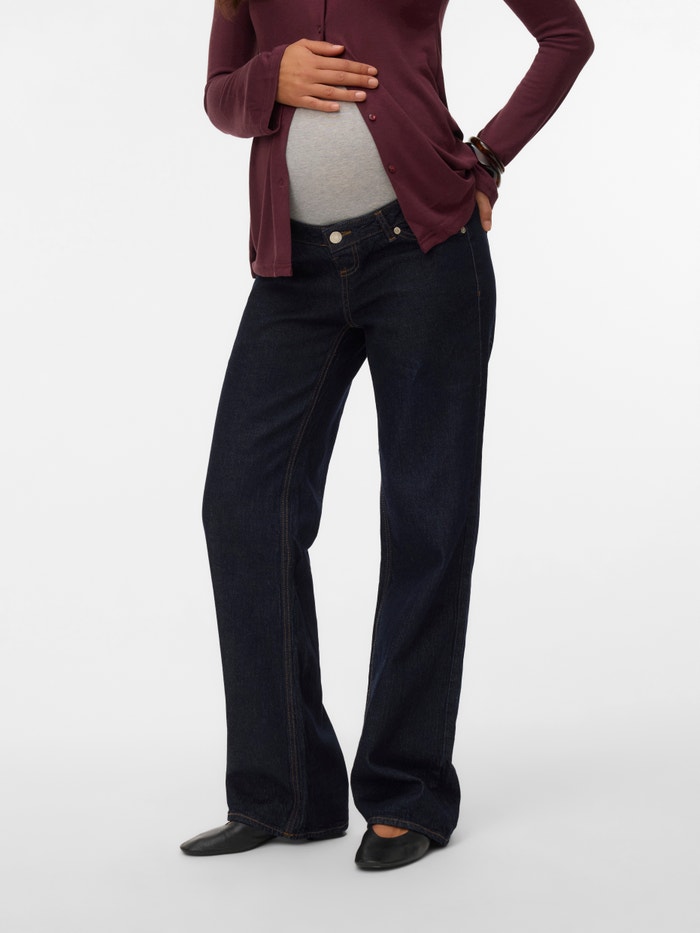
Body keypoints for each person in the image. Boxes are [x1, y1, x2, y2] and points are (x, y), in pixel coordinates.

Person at [180, 0, 594, 871]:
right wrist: (271, 76)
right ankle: (284, 791)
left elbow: (566, 38)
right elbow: (220, 96)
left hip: (426, 253)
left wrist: (488, 156)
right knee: (243, 508)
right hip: (291, 272)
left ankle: (407, 790)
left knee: (425, 520)